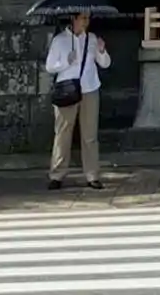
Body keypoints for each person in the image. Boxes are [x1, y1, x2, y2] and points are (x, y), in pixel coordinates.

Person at [44, 10, 111, 189]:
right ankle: (57, 174)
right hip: (67, 89)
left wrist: (102, 51)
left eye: (88, 18)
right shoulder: (60, 40)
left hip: (90, 88)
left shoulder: (92, 39)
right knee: (63, 133)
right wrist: (66, 61)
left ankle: (92, 174)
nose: (86, 22)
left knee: (90, 135)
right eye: (83, 18)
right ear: (73, 19)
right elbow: (50, 66)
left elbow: (105, 63)